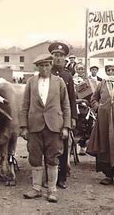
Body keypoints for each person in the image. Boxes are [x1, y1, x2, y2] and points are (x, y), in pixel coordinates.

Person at [20, 54, 71, 203]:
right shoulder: (31, 82)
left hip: (54, 125)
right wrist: (24, 126)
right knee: (35, 157)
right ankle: (36, 188)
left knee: (53, 158)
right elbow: (25, 105)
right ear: (37, 67)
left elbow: (66, 105)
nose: (44, 68)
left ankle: (52, 190)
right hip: (34, 126)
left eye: (47, 65)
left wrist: (66, 127)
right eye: (41, 66)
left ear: (51, 66)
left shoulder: (59, 82)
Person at [87, 60, 114, 187]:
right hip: (104, 120)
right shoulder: (101, 84)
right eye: (108, 70)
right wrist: (98, 107)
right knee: (105, 145)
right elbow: (93, 99)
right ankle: (108, 175)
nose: (110, 72)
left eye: (113, 70)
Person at [48, 42, 77, 189]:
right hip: (48, 117)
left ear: (65, 58)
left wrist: (72, 118)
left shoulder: (67, 76)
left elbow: (72, 99)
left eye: (61, 55)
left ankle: (62, 178)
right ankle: (48, 177)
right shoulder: (46, 73)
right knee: (48, 147)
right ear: (51, 57)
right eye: (55, 55)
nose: (58, 58)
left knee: (63, 148)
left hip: (62, 116)